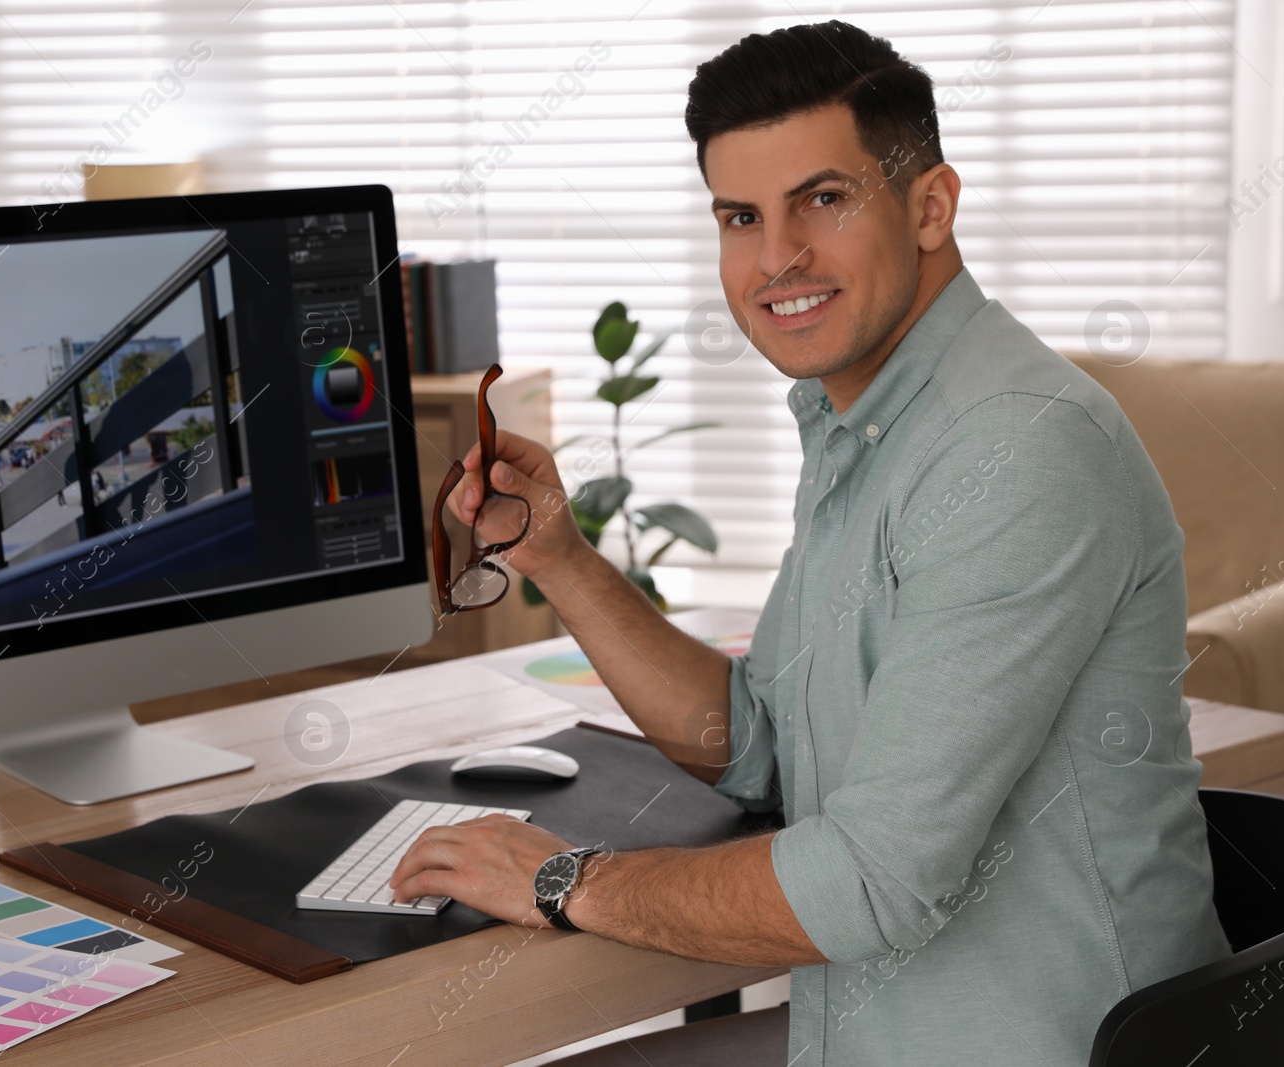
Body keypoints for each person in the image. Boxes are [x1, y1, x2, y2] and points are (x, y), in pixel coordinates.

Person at [390, 21, 1231, 1066]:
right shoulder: (869, 425)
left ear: (930, 206)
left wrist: (561, 878)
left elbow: (870, 882)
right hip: (867, 1021)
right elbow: (766, 745)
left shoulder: (1015, 448)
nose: (776, 257)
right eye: (740, 216)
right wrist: (558, 557)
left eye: (821, 200)